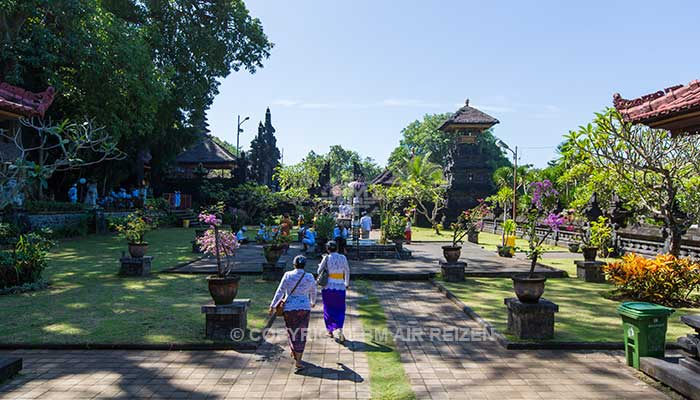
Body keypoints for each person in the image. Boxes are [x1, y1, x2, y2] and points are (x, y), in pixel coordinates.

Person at [269, 255, 317, 372]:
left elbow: (280, 291)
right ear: (304, 265)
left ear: (294, 264)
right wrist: (313, 302)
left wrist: (273, 305)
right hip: (304, 307)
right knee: (301, 333)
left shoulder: (287, 275)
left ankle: (294, 352)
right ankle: (298, 361)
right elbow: (313, 290)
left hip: (289, 308)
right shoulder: (309, 276)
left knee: (291, 331)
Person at [317, 241, 350, 342]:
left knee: (328, 308)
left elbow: (319, 271)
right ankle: (339, 328)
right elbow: (347, 270)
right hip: (340, 285)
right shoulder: (343, 257)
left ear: (327, 249)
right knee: (340, 308)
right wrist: (346, 283)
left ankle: (330, 330)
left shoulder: (326, 258)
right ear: (337, 248)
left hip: (328, 286)